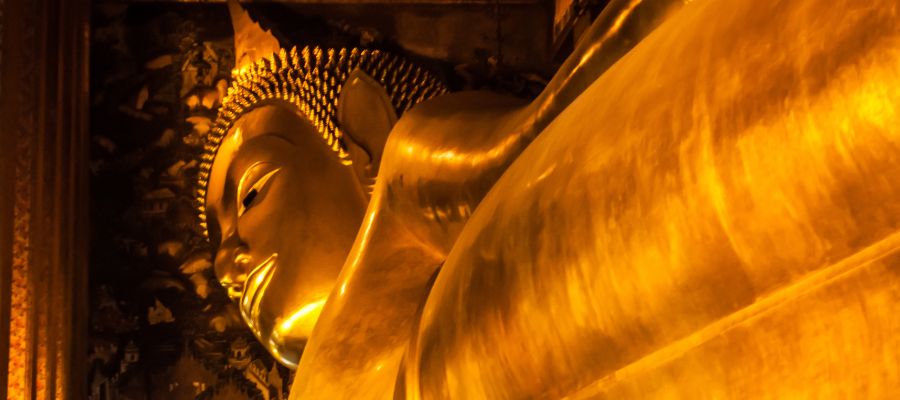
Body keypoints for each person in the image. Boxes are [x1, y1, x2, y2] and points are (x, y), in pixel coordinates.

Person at [202, 0, 900, 398]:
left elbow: (502, 145)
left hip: (566, 272)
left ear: (361, 127)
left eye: (254, 191)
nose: (230, 262)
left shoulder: (409, 190)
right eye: (221, 245)